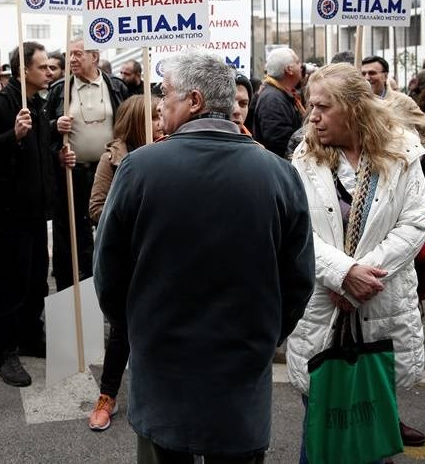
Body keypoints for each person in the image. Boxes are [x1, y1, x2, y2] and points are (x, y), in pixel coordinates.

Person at [95, 52, 314, 463]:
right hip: (242, 367)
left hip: (161, 361)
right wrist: (267, 336)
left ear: (194, 101)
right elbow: (299, 278)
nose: (159, 103)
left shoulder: (138, 169)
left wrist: (137, 327)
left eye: (166, 93)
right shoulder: (280, 174)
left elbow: (107, 272)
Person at [287, 63, 425, 460]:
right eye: (310, 106)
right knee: (320, 436)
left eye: (323, 106)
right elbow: (296, 231)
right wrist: (344, 274)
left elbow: (415, 223)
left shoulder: (402, 151)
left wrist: (364, 278)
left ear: (354, 107)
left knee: (368, 434)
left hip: (380, 305)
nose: (312, 116)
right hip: (322, 312)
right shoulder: (304, 159)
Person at [0, 42, 65, 386]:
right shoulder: (2, 105)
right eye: (42, 67)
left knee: (35, 279)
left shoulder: (37, 106)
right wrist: (12, 135)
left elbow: (38, 154)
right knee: (10, 283)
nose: (49, 72)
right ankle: (5, 351)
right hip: (10, 214)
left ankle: (30, 336)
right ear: (23, 70)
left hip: (35, 212)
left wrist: (57, 156)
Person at [87, 94, 162, 431]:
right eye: (154, 116)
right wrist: (134, 219)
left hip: (162, 258)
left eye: (162, 115)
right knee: (123, 331)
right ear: (137, 121)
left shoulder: (169, 151)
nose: (161, 122)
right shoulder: (112, 159)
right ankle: (107, 395)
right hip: (128, 261)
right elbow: (96, 208)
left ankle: (161, 398)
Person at [45, 39, 127, 292]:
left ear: (95, 56)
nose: (72, 60)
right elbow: (43, 133)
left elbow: (127, 126)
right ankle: (71, 291)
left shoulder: (116, 87)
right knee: (71, 236)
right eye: (69, 55)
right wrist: (55, 132)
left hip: (109, 173)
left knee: (110, 228)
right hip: (73, 174)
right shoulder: (60, 89)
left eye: (78, 54)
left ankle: (108, 286)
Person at [361, 55, 425, 139]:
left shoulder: (403, 102)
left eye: (372, 73)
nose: (367, 78)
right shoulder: (356, 104)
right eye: (363, 74)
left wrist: (419, 149)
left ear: (385, 76)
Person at [252, 47, 304, 156]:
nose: (301, 66)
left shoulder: (280, 94)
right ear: (289, 70)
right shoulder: (272, 99)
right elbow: (279, 143)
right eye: (298, 62)